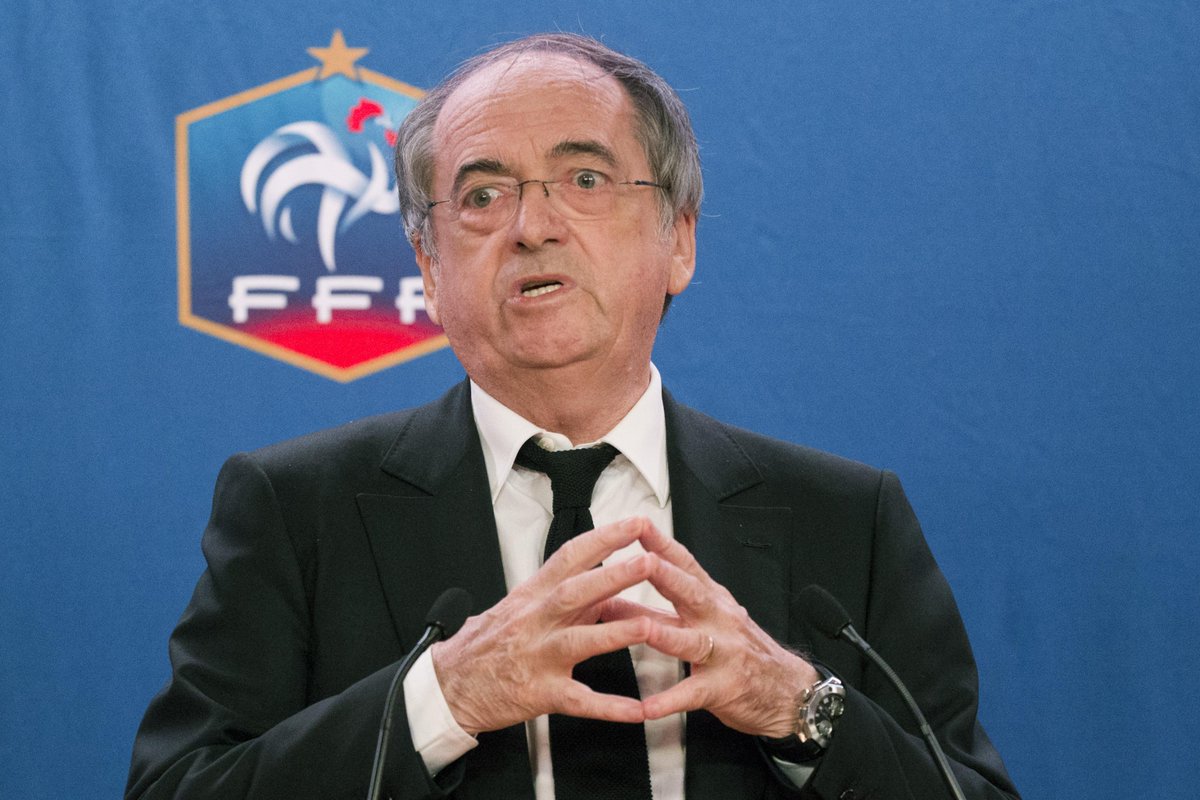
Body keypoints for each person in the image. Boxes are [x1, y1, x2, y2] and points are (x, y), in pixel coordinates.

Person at [127, 33, 1019, 800]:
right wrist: (442, 699)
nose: (532, 225)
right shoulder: (296, 510)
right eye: (482, 196)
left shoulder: (846, 521)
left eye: (583, 178)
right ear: (429, 270)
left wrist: (798, 705)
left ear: (679, 240)